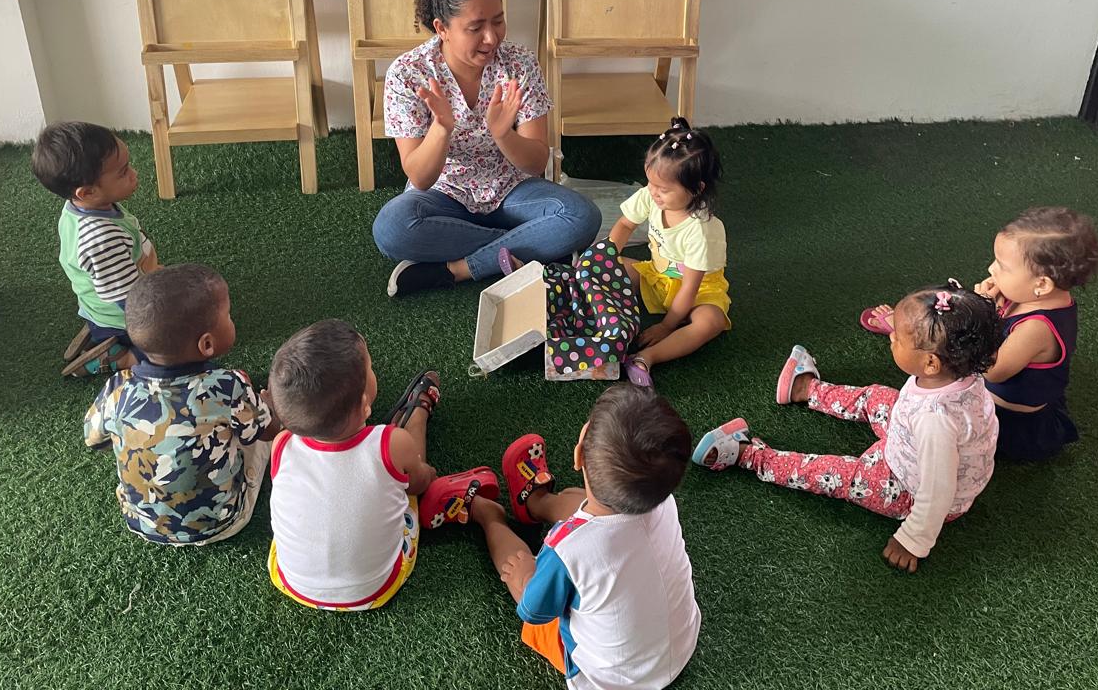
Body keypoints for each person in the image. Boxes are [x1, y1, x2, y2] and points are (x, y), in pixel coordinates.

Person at [695, 283, 1000, 572]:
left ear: (931, 363)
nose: (891, 338)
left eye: (898, 339)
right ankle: (805, 389)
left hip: (908, 489)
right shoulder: (960, 373)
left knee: (836, 473)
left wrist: (912, 541)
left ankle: (749, 455)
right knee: (877, 397)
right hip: (911, 444)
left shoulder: (936, 421)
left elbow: (937, 493)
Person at [372, 0, 600, 298]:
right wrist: (441, 129)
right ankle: (536, 248)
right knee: (392, 228)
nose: (492, 38)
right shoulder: (408, 73)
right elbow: (420, 176)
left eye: (498, 21)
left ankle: (458, 270)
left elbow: (536, 162)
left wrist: (503, 134)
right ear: (442, 28)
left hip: (512, 190)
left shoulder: (519, 63)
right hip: (445, 195)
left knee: (581, 216)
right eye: (476, 28)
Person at [467, 385, 701, 689]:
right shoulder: (662, 500)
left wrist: (525, 576)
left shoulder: (567, 551)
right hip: (681, 643)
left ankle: (487, 514)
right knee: (596, 506)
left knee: (520, 570)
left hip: (612, 680)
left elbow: (534, 611)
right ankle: (538, 504)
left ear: (579, 455)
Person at [267, 319, 499, 610]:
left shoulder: (282, 445)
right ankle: (417, 416)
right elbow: (418, 484)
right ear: (365, 404)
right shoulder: (391, 444)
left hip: (293, 584)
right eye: (371, 368)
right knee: (405, 472)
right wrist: (425, 472)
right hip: (375, 589)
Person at [859, 207, 1098, 460]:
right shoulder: (1028, 295)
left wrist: (983, 310)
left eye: (1003, 266)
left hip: (1008, 421)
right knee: (959, 333)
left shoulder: (1036, 328)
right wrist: (991, 307)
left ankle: (917, 334)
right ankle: (916, 330)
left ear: (1041, 284)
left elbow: (992, 370)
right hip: (1004, 395)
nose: (991, 269)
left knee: (950, 364)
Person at [84, 264, 273, 545]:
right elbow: (267, 431)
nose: (232, 320)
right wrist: (266, 404)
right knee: (262, 432)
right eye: (228, 315)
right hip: (223, 522)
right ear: (206, 345)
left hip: (141, 524)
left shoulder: (117, 387)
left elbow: (93, 440)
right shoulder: (227, 385)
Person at [609, 117, 729, 387]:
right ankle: (565, 287)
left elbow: (690, 287)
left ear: (697, 189)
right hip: (656, 277)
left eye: (663, 189)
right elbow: (625, 225)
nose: (653, 193)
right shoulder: (651, 195)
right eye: (650, 182)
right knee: (607, 265)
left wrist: (666, 325)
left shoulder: (702, 230)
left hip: (698, 292)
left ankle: (646, 358)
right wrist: (603, 258)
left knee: (710, 322)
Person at [32, 121, 157, 376]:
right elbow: (130, 301)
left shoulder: (81, 207)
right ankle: (116, 356)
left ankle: (97, 327)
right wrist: (160, 322)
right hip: (122, 318)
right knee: (176, 347)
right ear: (87, 192)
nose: (134, 174)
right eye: (123, 172)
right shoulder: (101, 239)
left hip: (105, 299)